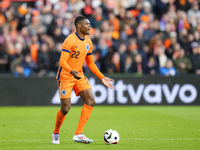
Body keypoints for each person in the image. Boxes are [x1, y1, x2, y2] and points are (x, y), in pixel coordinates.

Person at [52, 16, 114, 144]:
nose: (89, 26)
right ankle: (56, 133)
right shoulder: (70, 40)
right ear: (79, 26)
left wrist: (102, 77)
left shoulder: (88, 42)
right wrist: (71, 71)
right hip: (66, 76)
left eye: (89, 24)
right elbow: (62, 61)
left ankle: (78, 134)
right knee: (65, 109)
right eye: (87, 24)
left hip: (78, 75)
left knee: (91, 100)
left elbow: (90, 63)